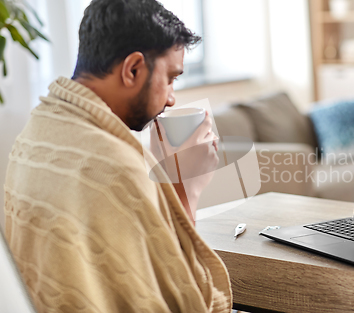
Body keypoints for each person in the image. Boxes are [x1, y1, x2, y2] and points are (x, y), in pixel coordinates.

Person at [3, 0, 232, 312]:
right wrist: (185, 188)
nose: (171, 97)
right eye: (170, 78)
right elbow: (190, 301)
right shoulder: (116, 167)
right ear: (133, 69)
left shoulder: (36, 132)